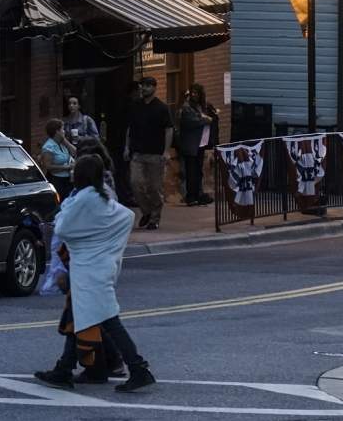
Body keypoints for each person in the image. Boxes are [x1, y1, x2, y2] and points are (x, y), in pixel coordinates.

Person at [35, 154, 155, 392]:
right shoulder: (102, 196)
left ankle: (139, 368)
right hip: (99, 268)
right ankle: (64, 369)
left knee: (109, 321)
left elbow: (64, 228)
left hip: (88, 270)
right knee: (79, 317)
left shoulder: (84, 199)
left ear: (78, 175)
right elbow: (126, 217)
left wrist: (84, 242)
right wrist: (104, 245)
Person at [125, 77, 173, 230]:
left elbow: (169, 129)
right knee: (135, 184)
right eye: (142, 86)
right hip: (137, 153)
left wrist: (166, 151)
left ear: (154, 87)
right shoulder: (135, 106)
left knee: (154, 187)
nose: (143, 89)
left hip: (155, 154)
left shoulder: (161, 108)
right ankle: (146, 211)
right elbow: (129, 129)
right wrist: (126, 147)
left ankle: (154, 218)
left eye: (146, 86)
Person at [178, 83, 215, 207]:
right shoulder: (187, 107)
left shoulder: (202, 106)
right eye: (192, 92)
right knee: (191, 170)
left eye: (196, 93)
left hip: (201, 143)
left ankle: (199, 194)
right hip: (191, 144)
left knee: (198, 170)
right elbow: (192, 121)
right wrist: (206, 119)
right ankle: (191, 196)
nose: (194, 95)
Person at [40, 119, 76, 201]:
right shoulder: (48, 147)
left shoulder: (62, 143)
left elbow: (74, 152)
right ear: (57, 131)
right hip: (57, 181)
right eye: (62, 129)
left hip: (68, 179)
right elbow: (48, 166)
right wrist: (67, 167)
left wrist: (65, 141)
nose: (64, 131)